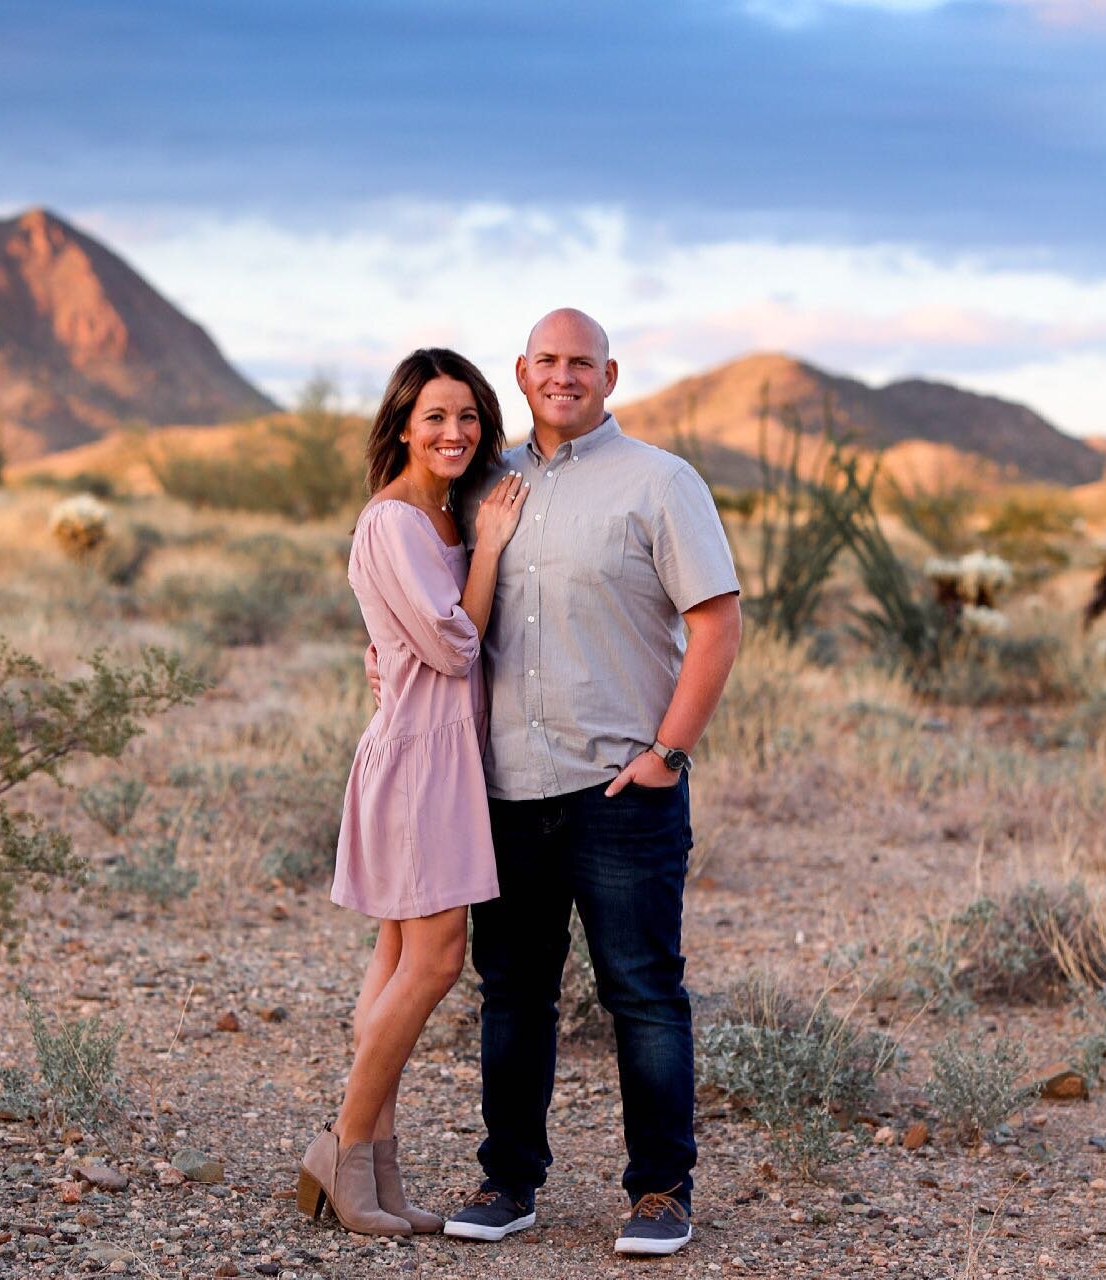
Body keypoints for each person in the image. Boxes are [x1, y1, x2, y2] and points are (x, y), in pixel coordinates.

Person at [371, 309, 741, 1256]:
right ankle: (509, 1183)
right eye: (547, 361)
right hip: (501, 790)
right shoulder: (483, 482)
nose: (563, 376)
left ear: (609, 375)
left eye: (581, 362)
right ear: (522, 373)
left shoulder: (661, 482)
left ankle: (661, 1191)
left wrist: (670, 753)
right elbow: (423, 598)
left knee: (644, 992)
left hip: (622, 789)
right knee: (514, 993)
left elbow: (717, 622)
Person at [296, 348, 529, 1237]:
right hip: (419, 761)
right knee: (433, 961)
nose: (455, 432)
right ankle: (345, 1147)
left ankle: (376, 1166)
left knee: (398, 960)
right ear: (401, 423)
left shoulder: (438, 517)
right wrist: (494, 549)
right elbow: (453, 645)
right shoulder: (395, 522)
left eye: (469, 417)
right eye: (435, 416)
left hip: (437, 752)